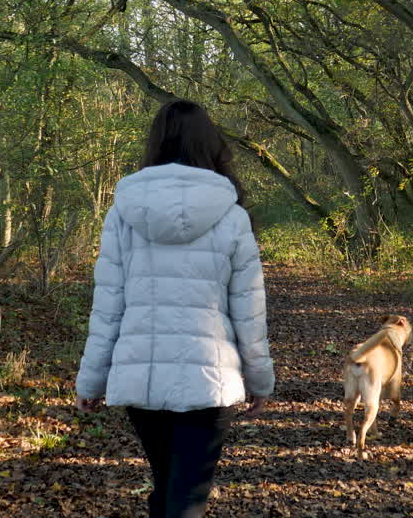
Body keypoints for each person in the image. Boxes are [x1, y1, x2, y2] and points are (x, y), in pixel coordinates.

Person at [75, 99, 275, 518]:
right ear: (211, 145)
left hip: (141, 376)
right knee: (185, 496)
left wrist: (90, 380)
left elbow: (107, 305)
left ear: (156, 143)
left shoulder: (123, 213)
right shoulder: (232, 216)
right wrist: (260, 379)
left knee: (167, 485)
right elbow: (249, 311)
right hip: (210, 377)